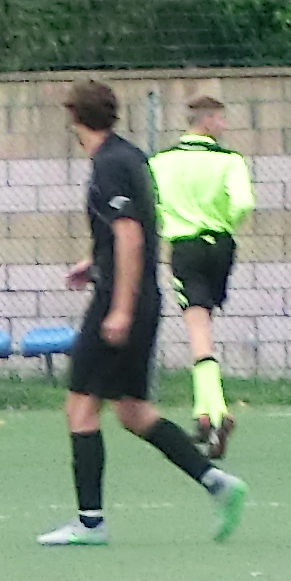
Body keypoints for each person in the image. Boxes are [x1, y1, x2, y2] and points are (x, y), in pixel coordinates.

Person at [41, 80, 245, 546]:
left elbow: (131, 235)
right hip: (140, 295)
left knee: (80, 406)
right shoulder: (130, 156)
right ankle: (217, 483)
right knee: (133, 411)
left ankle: (90, 523)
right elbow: (134, 232)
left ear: (75, 117)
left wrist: (119, 309)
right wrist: (94, 263)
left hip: (123, 300)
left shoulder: (109, 165)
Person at [154, 88, 257, 459]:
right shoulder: (230, 161)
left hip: (186, 246)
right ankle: (203, 413)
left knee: (198, 331)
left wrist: (173, 221)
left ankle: (216, 412)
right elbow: (244, 203)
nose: (225, 125)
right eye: (221, 118)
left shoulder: (162, 162)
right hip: (222, 246)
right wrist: (224, 223)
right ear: (208, 121)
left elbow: (152, 203)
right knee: (205, 323)